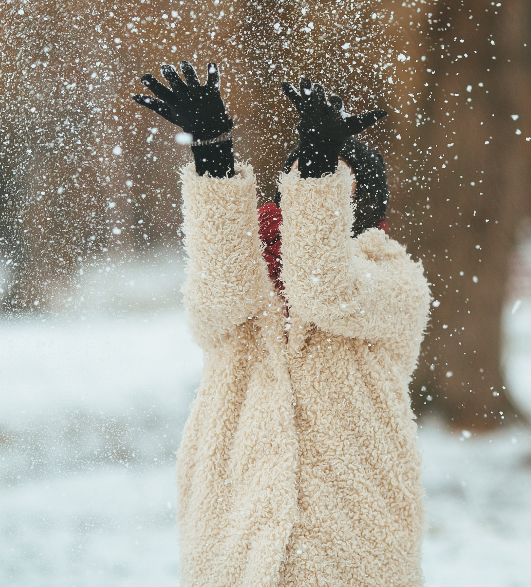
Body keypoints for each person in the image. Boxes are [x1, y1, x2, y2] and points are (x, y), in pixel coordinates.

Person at [133, 60, 432, 587]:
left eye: (326, 186)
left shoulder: (395, 282)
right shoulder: (247, 280)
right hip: (234, 536)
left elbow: (325, 289)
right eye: (304, 182)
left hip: (354, 543)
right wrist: (214, 154)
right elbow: (217, 299)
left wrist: (319, 166)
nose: (305, 196)